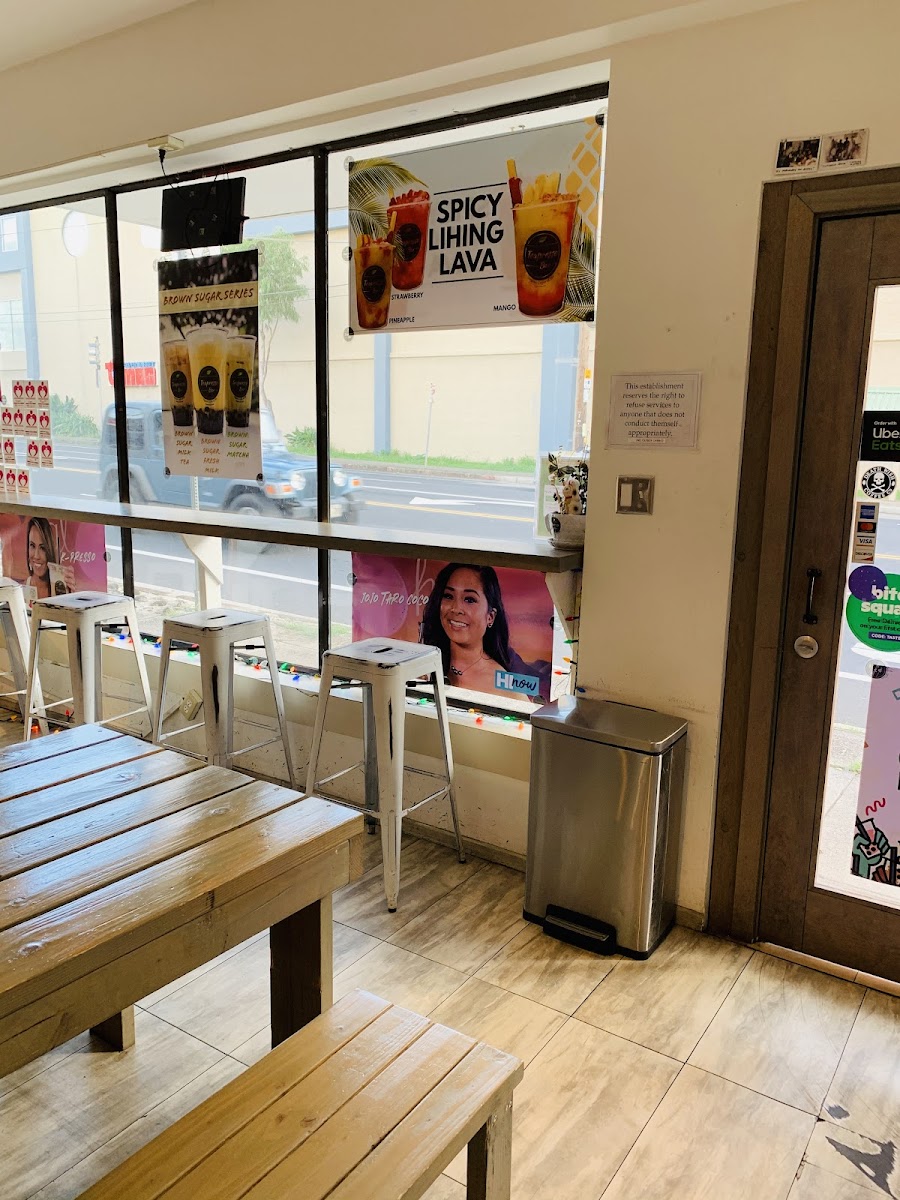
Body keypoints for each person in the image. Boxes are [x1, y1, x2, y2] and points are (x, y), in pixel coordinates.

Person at [420, 562, 551, 700]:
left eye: (469, 600)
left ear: (490, 617)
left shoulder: (508, 690)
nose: (456, 608)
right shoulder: (422, 666)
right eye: (448, 596)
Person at [24, 516, 57, 600]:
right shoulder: (22, 590)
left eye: (42, 548)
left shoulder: (59, 590)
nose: (36, 556)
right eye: (32, 545)